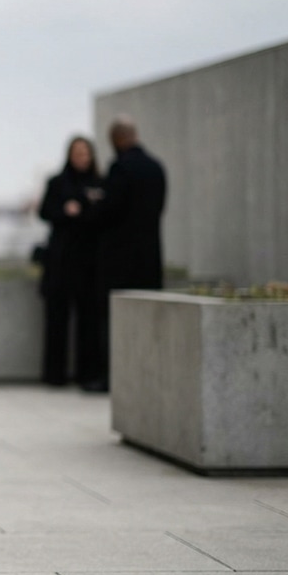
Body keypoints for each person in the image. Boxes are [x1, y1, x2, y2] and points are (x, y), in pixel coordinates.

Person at [82, 117, 168, 393]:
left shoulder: (120, 169)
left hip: (119, 261)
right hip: (150, 258)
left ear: (117, 139)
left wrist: (93, 207)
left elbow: (109, 212)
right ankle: (145, 378)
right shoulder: (156, 168)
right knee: (147, 322)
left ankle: (113, 378)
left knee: (114, 321)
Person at [37, 136, 104, 387]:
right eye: (77, 153)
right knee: (57, 319)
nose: (81, 158)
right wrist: (65, 211)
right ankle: (54, 375)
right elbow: (44, 212)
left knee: (89, 320)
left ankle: (88, 374)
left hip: (88, 262)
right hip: (60, 261)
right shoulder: (57, 182)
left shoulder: (99, 183)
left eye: (85, 153)